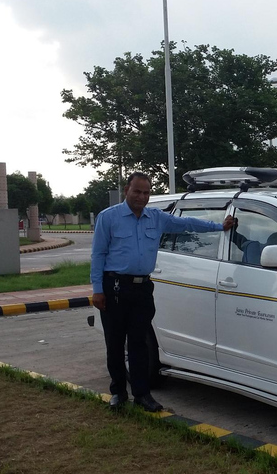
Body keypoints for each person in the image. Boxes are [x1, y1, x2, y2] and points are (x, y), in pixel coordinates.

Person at [91, 172, 235, 411]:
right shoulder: (109, 218)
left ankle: (142, 395)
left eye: (146, 192)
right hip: (114, 288)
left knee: (139, 344)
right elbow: (98, 255)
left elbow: (187, 224)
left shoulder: (155, 218)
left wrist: (220, 226)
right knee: (115, 344)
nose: (142, 197)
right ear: (127, 189)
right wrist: (97, 290)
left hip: (142, 289)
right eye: (137, 191)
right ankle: (118, 393)